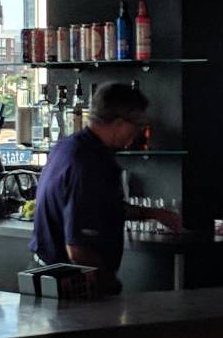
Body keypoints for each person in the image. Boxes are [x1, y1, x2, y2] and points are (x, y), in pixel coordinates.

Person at [31, 80, 182, 295]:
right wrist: (107, 283)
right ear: (120, 123)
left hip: (49, 275)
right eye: (138, 125)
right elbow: (78, 248)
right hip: (72, 286)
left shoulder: (69, 146)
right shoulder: (90, 163)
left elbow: (101, 207)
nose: (139, 132)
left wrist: (152, 213)